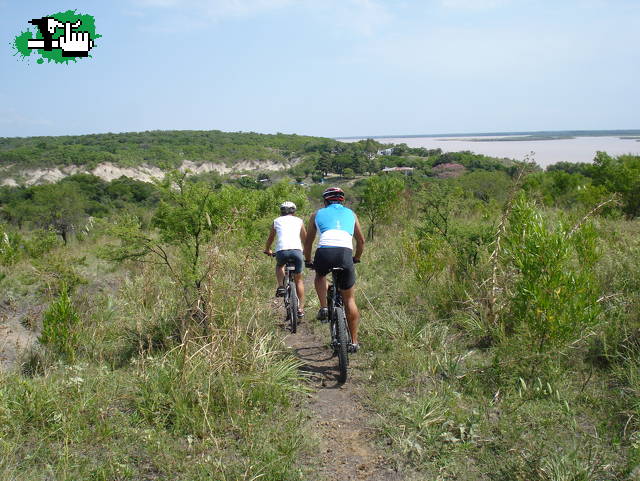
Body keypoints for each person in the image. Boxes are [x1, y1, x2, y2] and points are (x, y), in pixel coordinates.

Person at [303, 187, 365, 352]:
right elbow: (361, 241)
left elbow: (308, 243)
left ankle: (324, 307)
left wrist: (308, 260)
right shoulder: (351, 214)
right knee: (349, 300)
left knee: (320, 275)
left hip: (324, 252)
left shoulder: (316, 215)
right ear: (342, 201)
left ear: (325, 201)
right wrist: (356, 257)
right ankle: (353, 342)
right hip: (345, 254)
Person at [264, 201, 306, 318]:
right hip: (297, 251)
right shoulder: (299, 221)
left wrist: (267, 249)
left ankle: (281, 286)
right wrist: (307, 254)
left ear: (281, 211)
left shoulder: (276, 221)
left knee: (279, 266)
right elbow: (305, 239)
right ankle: (300, 309)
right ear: (294, 211)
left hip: (282, 251)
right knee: (298, 280)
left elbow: (271, 238)